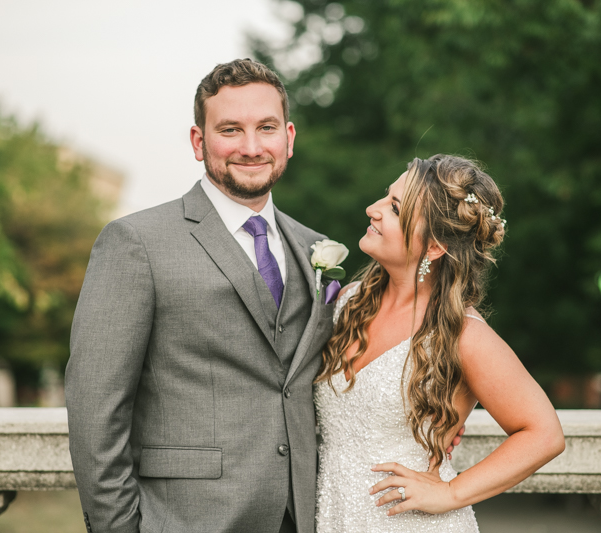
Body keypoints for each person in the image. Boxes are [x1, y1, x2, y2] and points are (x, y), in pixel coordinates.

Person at [65, 59, 337, 533]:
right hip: (186, 520)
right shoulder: (136, 243)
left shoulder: (315, 247)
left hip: (304, 518)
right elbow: (95, 408)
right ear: (199, 141)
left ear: (288, 138)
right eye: (230, 129)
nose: (251, 147)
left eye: (266, 128)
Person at [313, 154, 566, 532]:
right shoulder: (349, 301)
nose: (373, 209)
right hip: (333, 514)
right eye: (386, 196)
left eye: (395, 208)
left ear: (433, 247)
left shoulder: (463, 334)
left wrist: (451, 493)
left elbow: (544, 434)